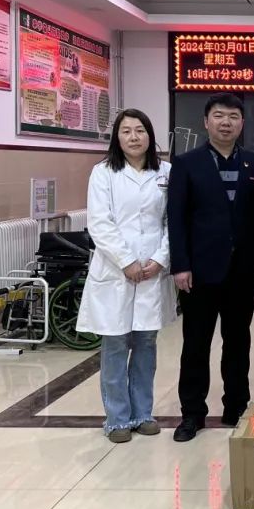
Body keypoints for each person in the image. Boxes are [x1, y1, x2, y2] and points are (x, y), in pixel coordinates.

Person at [167, 93, 254, 440]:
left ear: (242, 123)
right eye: (220, 116)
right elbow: (176, 218)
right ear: (206, 122)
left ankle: (236, 407)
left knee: (238, 342)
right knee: (196, 344)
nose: (226, 122)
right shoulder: (186, 163)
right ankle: (192, 414)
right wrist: (180, 265)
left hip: (242, 271)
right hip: (200, 271)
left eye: (233, 116)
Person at [77, 109, 175, 443]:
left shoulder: (166, 172)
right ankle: (117, 419)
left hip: (152, 271)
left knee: (146, 343)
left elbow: (172, 222)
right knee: (116, 344)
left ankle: (143, 413)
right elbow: (100, 223)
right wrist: (127, 261)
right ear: (116, 138)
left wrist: (160, 259)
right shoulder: (103, 173)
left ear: (150, 135)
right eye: (126, 131)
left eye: (140, 130)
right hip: (116, 271)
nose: (134, 137)